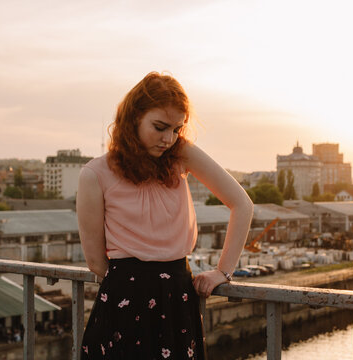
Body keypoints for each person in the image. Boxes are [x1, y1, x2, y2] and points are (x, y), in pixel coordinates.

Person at [77, 72, 253, 359]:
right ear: (133, 117)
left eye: (176, 129)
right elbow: (95, 261)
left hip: (170, 297)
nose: (168, 139)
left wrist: (223, 271)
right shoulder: (94, 174)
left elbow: (242, 204)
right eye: (160, 127)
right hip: (135, 300)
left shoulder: (180, 154)